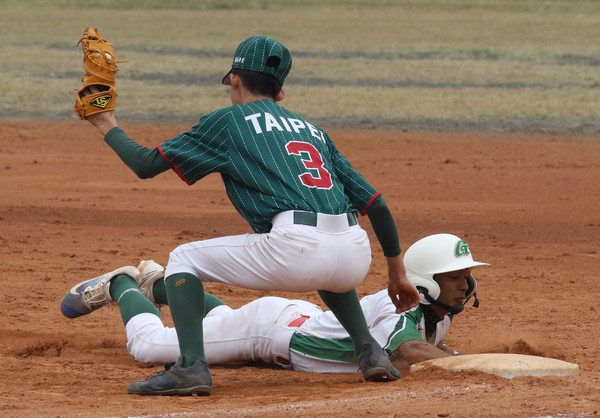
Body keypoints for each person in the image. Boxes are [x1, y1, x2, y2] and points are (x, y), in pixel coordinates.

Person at [74, 35, 421, 396]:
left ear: (235, 80)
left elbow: (145, 165)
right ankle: (369, 351)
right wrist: (397, 274)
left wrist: (105, 122)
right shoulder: (314, 131)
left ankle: (190, 366)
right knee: (328, 259)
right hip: (354, 253)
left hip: (296, 248)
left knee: (183, 259)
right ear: (281, 93)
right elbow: (375, 204)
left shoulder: (228, 121)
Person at [61, 233, 488, 376]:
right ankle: (122, 284)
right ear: (424, 282)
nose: (465, 283)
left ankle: (160, 282)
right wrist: (473, 364)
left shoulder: (435, 313)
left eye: (465, 275)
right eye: (454, 276)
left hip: (288, 321)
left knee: (224, 319)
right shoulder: (406, 310)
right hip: (273, 334)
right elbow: (408, 350)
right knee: (150, 348)